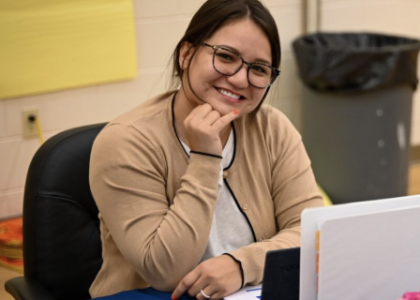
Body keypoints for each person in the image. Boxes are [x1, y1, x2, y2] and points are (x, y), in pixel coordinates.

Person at [88, 0, 323, 299]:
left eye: (259, 69)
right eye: (226, 56)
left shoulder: (272, 128)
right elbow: (164, 272)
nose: (240, 79)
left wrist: (240, 265)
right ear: (186, 54)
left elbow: (314, 232)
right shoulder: (125, 142)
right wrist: (205, 158)